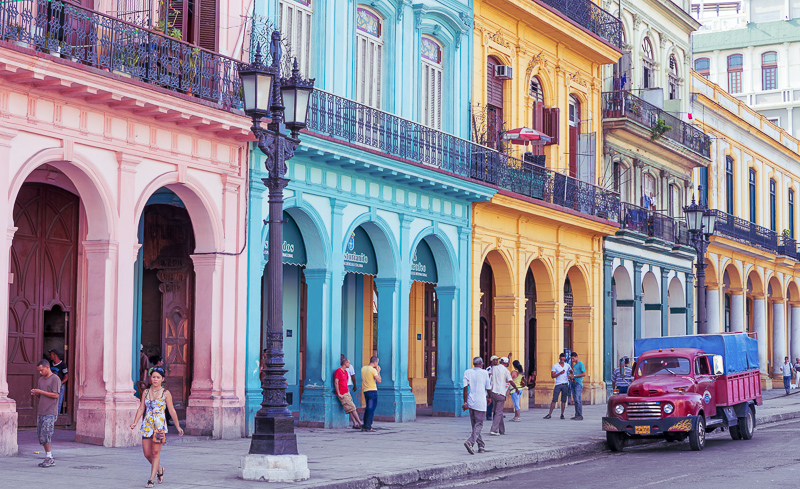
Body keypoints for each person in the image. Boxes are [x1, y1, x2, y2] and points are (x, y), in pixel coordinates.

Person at [131, 367, 184, 488]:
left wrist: (178, 426)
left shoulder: (166, 393)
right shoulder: (146, 392)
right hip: (147, 426)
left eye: (158, 377)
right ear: (151, 378)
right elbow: (141, 408)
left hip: (159, 427)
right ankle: (160, 469)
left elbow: (171, 410)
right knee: (147, 453)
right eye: (153, 377)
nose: (155, 379)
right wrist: (135, 422)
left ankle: (151, 479)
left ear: (162, 379)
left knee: (155, 453)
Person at [31, 359, 60, 467]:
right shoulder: (41, 380)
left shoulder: (55, 379)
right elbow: (41, 395)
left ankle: (49, 457)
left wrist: (41, 392)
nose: (40, 372)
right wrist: (36, 393)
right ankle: (48, 456)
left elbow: (56, 395)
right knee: (41, 435)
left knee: (46, 433)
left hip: (51, 411)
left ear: (47, 367)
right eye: (39, 371)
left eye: (42, 370)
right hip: (41, 410)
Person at [462, 356, 491, 455]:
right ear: (481, 364)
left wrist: (465, 402)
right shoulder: (485, 373)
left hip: (471, 402)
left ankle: (481, 445)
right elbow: (488, 387)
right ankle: (470, 442)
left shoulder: (467, 372)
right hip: (481, 402)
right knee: (479, 424)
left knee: (475, 425)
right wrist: (489, 397)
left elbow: (465, 389)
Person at [489, 356, 515, 435]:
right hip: (501, 393)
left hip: (493, 392)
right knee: (498, 412)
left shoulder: (494, 368)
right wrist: (516, 388)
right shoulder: (506, 370)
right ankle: (494, 430)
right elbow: (510, 381)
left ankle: (502, 430)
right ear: (506, 363)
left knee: (497, 411)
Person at [335, 357, 362, 429]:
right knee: (353, 408)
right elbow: (336, 383)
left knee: (349, 409)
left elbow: (346, 382)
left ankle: (355, 424)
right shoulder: (338, 371)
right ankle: (360, 423)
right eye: (348, 363)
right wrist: (339, 393)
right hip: (342, 393)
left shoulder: (346, 372)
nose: (349, 364)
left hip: (346, 392)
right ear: (345, 363)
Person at [543, 353, 571, 419]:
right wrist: (559, 373)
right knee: (554, 399)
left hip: (565, 384)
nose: (562, 361)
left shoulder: (567, 365)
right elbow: (552, 376)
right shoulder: (555, 366)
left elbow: (571, 371)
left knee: (563, 400)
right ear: (559, 358)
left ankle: (562, 414)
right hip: (558, 384)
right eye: (561, 359)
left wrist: (570, 376)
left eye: (563, 360)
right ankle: (549, 414)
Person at [361, 356, 381, 432]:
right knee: (371, 409)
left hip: (366, 391)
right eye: (377, 362)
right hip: (372, 390)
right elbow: (379, 380)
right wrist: (378, 372)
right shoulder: (373, 370)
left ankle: (365, 425)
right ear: (375, 362)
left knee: (367, 408)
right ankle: (368, 426)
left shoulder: (363, 368)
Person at [48, 349, 67, 415]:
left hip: (59, 387)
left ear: (55, 355)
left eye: (50, 354)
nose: (49, 356)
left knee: (58, 403)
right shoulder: (50, 363)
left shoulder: (63, 365)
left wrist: (61, 382)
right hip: (50, 386)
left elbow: (66, 377)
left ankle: (56, 416)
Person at [568, 352, 585, 420]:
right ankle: (576, 414)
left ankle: (580, 415)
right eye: (571, 359)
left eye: (573, 358)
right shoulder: (575, 365)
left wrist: (575, 376)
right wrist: (571, 375)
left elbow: (584, 374)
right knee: (575, 399)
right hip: (573, 383)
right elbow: (574, 373)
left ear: (576, 357)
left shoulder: (581, 364)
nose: (572, 360)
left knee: (578, 399)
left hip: (578, 383)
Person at [485, 355, 499, 420]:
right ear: (492, 361)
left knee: (497, 401)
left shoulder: (499, 368)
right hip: (491, 387)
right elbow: (487, 377)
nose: (497, 361)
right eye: (495, 360)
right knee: (490, 401)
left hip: (497, 387)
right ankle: (488, 414)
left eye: (497, 360)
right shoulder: (489, 369)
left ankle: (496, 414)